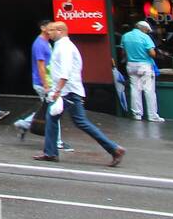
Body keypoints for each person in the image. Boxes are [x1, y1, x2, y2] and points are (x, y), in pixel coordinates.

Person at [36, 20, 126, 166]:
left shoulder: (64, 47)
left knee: (79, 121)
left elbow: (65, 71)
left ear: (60, 31)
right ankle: (50, 152)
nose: (48, 32)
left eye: (52, 30)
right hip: (67, 91)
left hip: (67, 92)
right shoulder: (61, 46)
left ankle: (114, 148)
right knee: (55, 118)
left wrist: (57, 90)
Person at [14, 20, 69, 150]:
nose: (51, 31)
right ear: (42, 28)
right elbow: (41, 66)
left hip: (48, 82)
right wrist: (45, 84)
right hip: (43, 82)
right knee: (54, 110)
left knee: (48, 109)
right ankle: (57, 141)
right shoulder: (39, 44)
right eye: (49, 28)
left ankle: (24, 124)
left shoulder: (46, 43)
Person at [121, 20, 164, 122]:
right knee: (149, 91)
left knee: (135, 90)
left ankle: (137, 114)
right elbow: (152, 53)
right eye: (147, 30)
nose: (147, 32)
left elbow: (123, 52)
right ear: (143, 29)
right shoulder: (145, 37)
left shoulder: (125, 36)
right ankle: (152, 116)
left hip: (131, 65)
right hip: (144, 65)